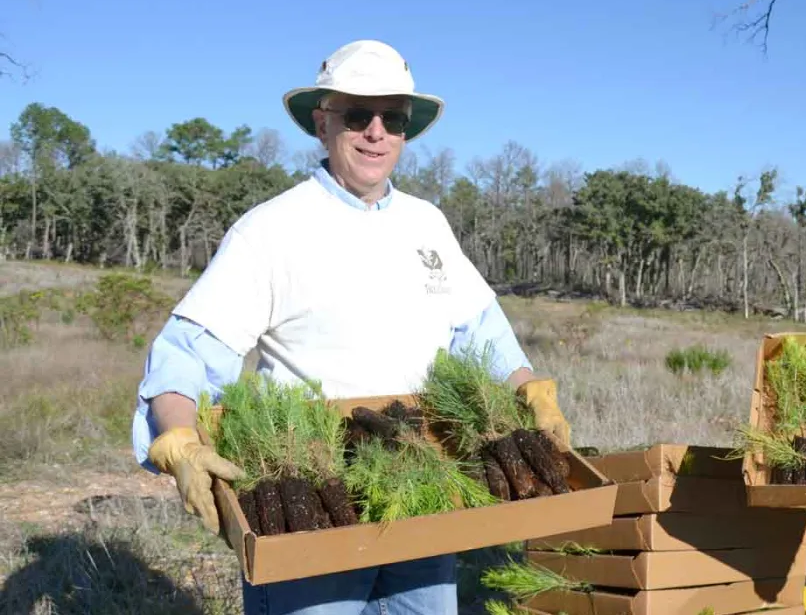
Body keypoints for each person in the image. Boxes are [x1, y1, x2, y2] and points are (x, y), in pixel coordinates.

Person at [130, 39, 572, 615]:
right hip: (308, 493)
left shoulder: (427, 224)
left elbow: (482, 334)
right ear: (322, 123)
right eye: (358, 115)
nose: (376, 133)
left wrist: (529, 390)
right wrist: (180, 439)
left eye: (393, 118)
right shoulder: (272, 230)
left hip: (423, 478)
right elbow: (187, 351)